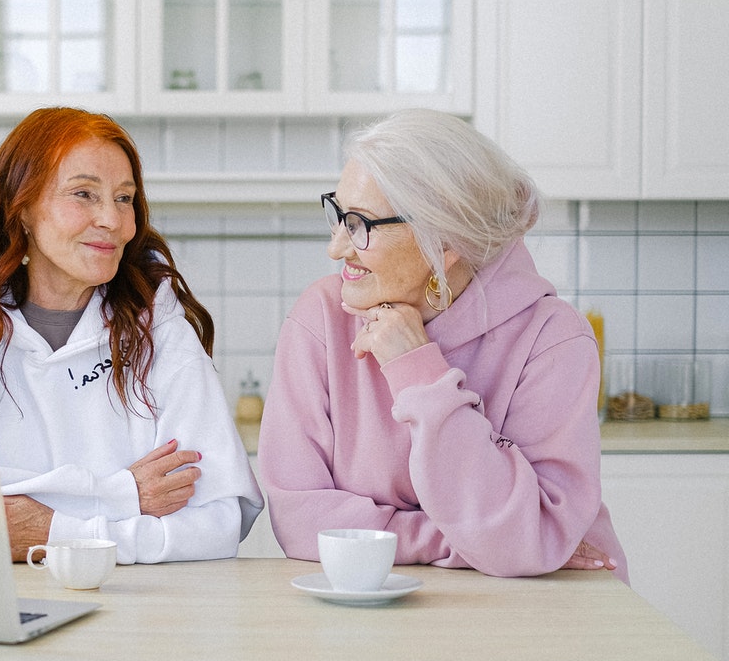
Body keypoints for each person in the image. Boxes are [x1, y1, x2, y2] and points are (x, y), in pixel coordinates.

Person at [259, 109, 628, 582]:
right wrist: (459, 541)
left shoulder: (554, 339)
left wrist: (419, 374)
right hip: (381, 607)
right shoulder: (322, 320)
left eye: (360, 224)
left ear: (444, 241)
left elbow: (531, 536)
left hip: (544, 610)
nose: (337, 247)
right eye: (338, 215)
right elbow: (299, 519)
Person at [0, 106, 262, 563]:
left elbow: (219, 524)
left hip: (140, 620)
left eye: (124, 198)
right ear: (23, 208)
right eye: (84, 194)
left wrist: (42, 529)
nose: (112, 219)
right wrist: (123, 495)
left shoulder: (162, 336)